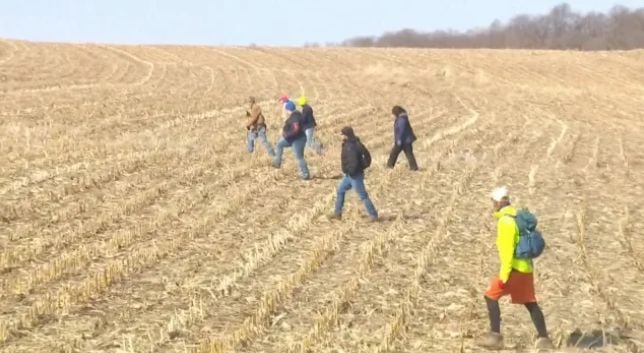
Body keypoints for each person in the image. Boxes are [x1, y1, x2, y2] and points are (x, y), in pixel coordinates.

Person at [477, 186, 554, 350]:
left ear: (498, 202)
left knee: (490, 296)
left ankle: (495, 336)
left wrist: (504, 274)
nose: (492, 205)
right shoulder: (517, 215)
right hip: (526, 268)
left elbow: (507, 251)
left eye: (493, 202)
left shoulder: (505, 221)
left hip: (513, 269)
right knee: (530, 302)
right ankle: (544, 338)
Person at [331, 126, 378, 222]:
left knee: (363, 196)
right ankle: (337, 213)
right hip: (348, 175)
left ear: (346, 135)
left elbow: (366, 157)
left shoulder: (355, 145)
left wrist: (361, 167)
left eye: (343, 135)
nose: (341, 137)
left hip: (355, 176)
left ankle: (373, 216)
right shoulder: (347, 144)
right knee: (340, 190)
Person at [272, 101, 310, 180]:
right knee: (279, 144)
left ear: (288, 109)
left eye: (286, 109)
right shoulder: (294, 115)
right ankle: (277, 163)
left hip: (298, 139)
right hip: (292, 138)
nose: (285, 111)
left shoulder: (295, 116)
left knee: (299, 157)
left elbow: (296, 129)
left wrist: (286, 134)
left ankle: (305, 174)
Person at [386, 105, 418, 171]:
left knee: (393, 154)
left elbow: (401, 130)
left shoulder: (401, 120)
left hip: (403, 140)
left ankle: (389, 166)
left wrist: (399, 140)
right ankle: (414, 168)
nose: (393, 115)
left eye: (394, 113)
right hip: (406, 140)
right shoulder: (403, 118)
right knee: (409, 154)